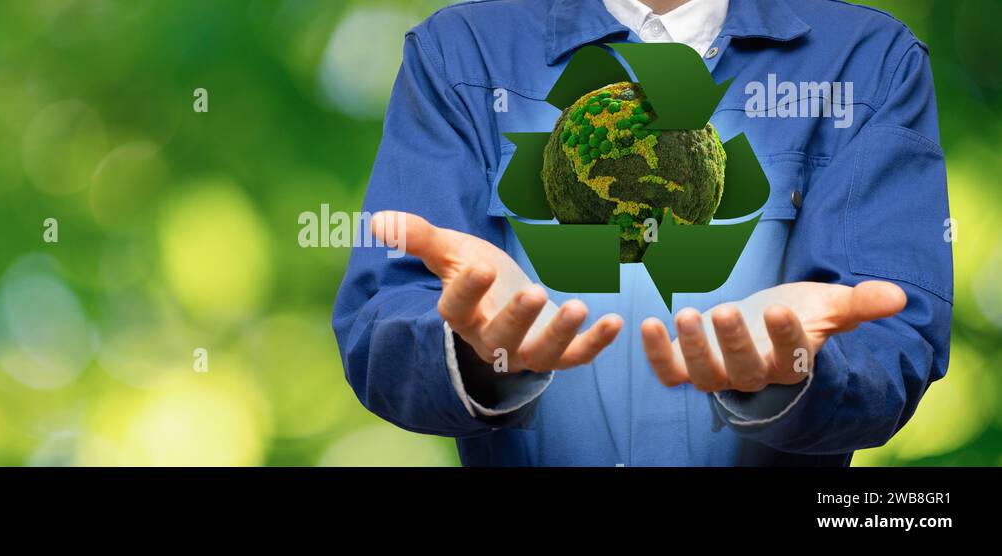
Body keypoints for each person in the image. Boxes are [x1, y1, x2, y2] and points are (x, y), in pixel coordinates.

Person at [332, 0, 952, 466]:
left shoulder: (869, 64)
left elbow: (895, 341)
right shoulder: (460, 54)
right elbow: (381, 324)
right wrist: (478, 351)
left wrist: (793, 367)